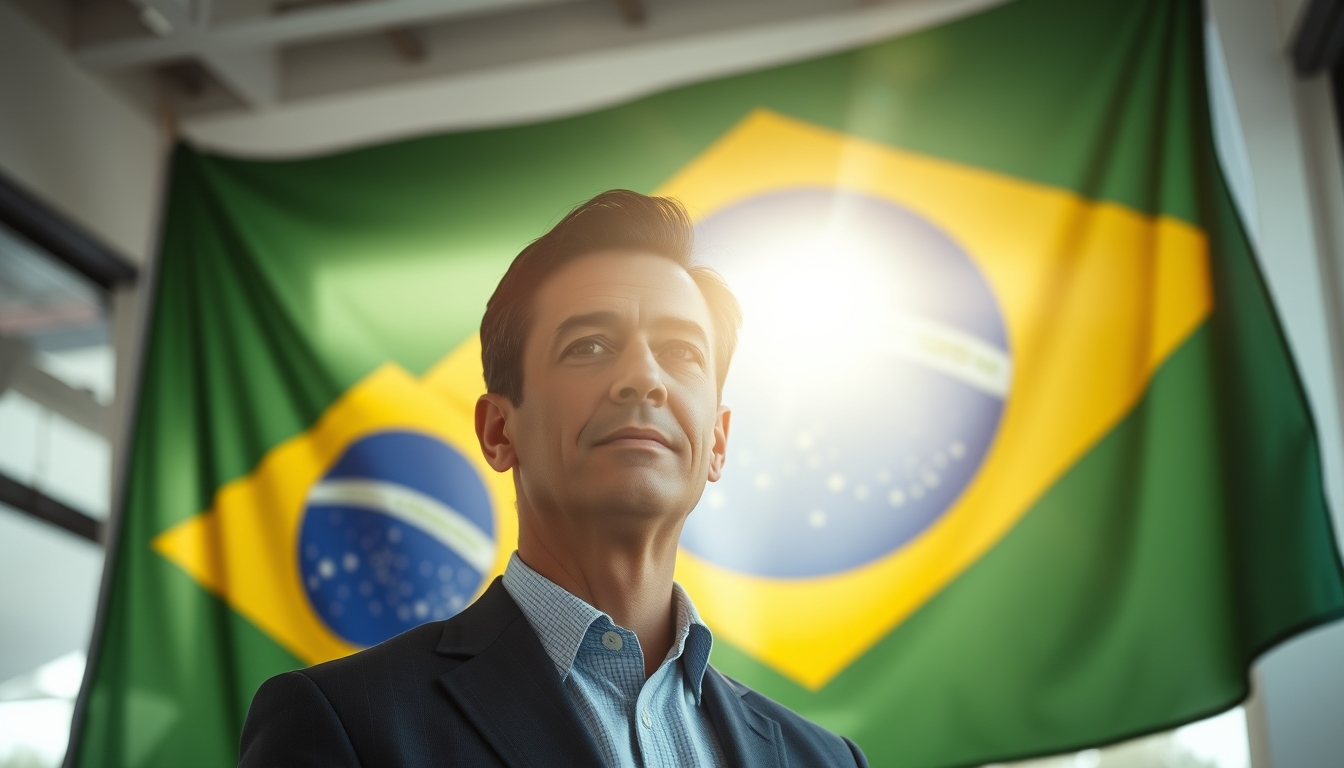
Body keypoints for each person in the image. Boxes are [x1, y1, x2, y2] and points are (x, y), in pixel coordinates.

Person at [239, 190, 869, 767]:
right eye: (590, 345)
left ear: (718, 442)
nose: (645, 378)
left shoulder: (828, 761)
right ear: (498, 431)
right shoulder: (344, 724)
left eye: (682, 352)